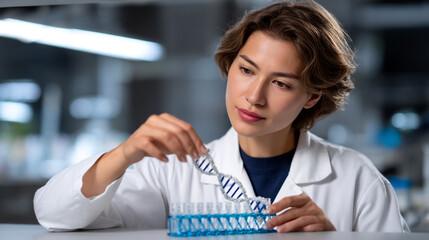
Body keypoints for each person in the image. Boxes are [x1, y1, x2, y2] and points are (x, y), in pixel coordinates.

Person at [34, 0, 409, 233]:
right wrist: (124, 153)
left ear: (311, 96)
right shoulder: (173, 172)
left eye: (280, 83)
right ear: (229, 66)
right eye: (246, 70)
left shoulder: (357, 179)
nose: (254, 96)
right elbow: (55, 215)